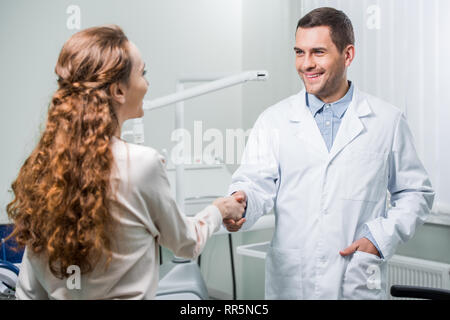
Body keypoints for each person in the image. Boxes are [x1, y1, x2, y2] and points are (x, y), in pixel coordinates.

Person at [6, 25, 245, 299]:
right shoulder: (142, 165)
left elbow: (29, 289)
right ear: (119, 91)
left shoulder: (42, 168)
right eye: (143, 73)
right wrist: (220, 208)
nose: (147, 83)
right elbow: (186, 243)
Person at [224, 7, 434, 299]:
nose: (305, 64)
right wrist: (242, 202)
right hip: (292, 282)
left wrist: (378, 238)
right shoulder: (274, 120)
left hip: (356, 278)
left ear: (347, 55)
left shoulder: (387, 120)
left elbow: (416, 192)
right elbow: (255, 184)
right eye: (299, 52)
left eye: (318, 52)